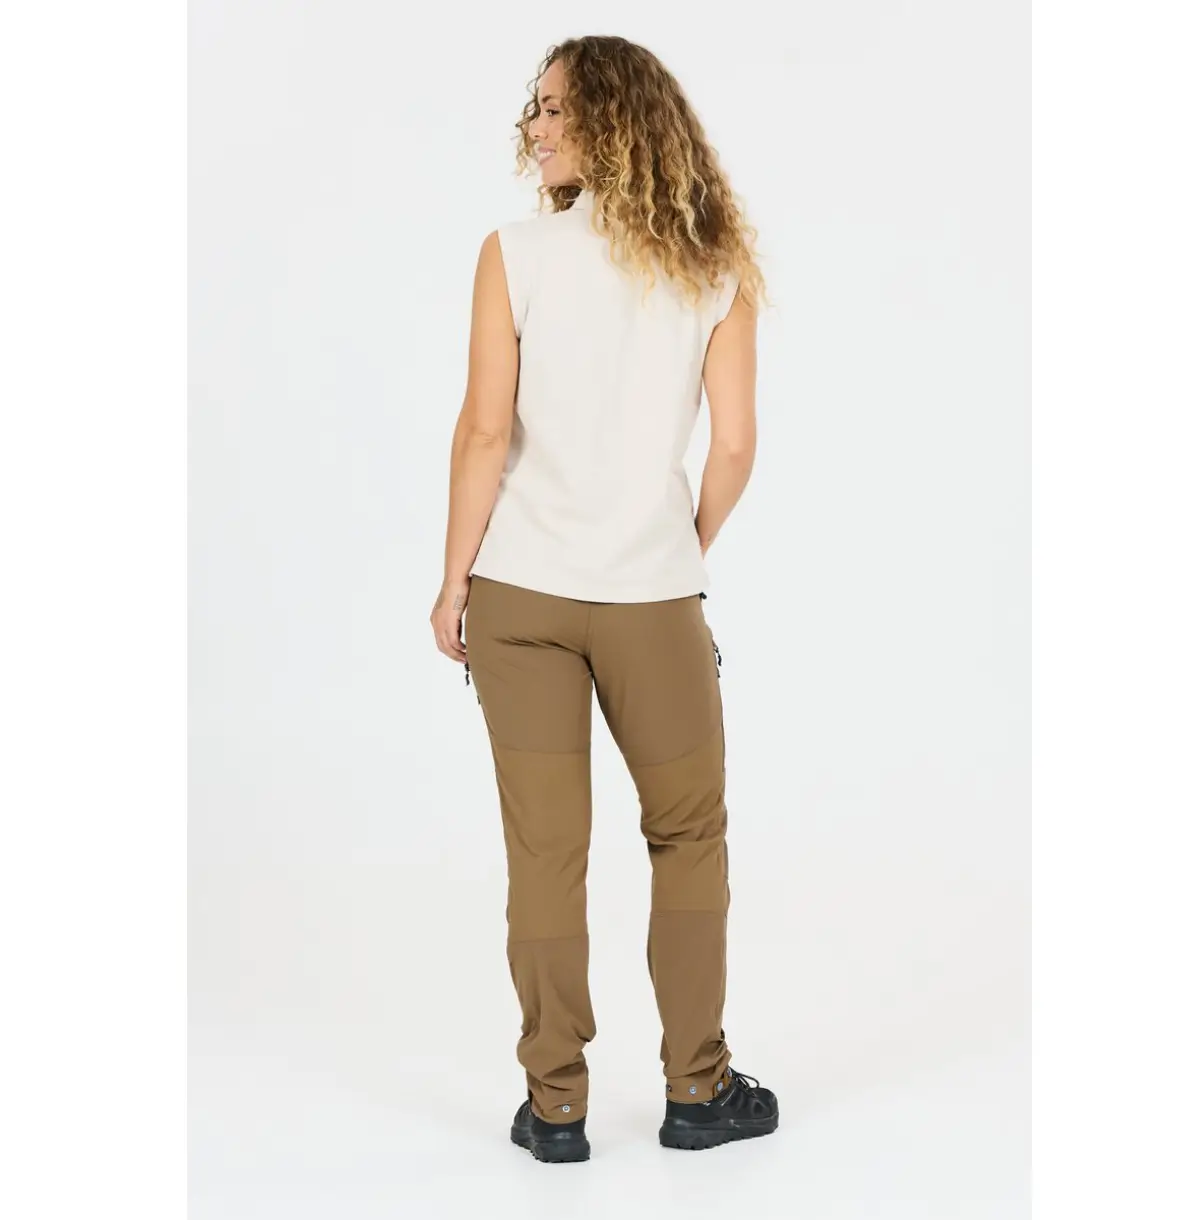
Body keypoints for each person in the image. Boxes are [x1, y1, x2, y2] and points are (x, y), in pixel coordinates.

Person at [429, 35, 777, 1162]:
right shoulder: (712, 266)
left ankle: (556, 1106)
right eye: (532, 110)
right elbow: (734, 445)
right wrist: (679, 545)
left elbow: (484, 432)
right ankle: (697, 1089)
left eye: (554, 109)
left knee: (546, 853)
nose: (534, 129)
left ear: (613, 121)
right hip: (650, 598)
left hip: (520, 595)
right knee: (688, 835)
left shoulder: (515, 254)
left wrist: (454, 581)